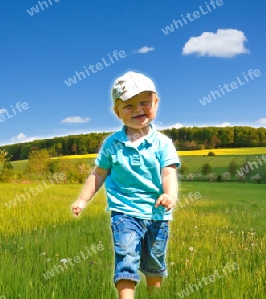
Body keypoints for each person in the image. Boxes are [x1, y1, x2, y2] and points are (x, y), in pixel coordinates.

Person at [71, 71, 180, 299]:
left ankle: (154, 294)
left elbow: (168, 173)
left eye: (144, 102)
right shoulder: (112, 144)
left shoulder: (162, 143)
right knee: (126, 259)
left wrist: (169, 195)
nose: (138, 109)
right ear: (117, 112)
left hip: (157, 214)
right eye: (128, 105)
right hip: (124, 213)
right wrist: (83, 199)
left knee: (154, 262)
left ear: (156, 103)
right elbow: (98, 174)